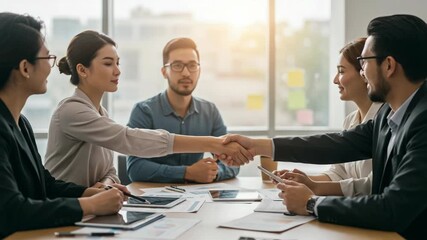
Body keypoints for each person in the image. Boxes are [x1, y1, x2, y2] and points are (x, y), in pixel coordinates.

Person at [222, 14, 427, 238]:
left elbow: (393, 209)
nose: (362, 72)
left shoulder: (423, 123)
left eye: (364, 62)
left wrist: (311, 203)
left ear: (388, 65)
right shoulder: (390, 113)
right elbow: (338, 144)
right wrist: (257, 145)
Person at [44, 31, 251, 187]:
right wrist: (214, 144)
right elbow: (129, 140)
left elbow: (110, 171)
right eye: (108, 64)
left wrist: (107, 186)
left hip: (89, 209)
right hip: (63, 209)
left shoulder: (100, 114)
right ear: (82, 70)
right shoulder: (72, 111)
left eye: (118, 62)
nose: (118, 70)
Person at [0, 12, 125, 238]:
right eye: (47, 59)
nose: (52, 67)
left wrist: (88, 193)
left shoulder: (21, 122)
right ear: (25, 68)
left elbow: (44, 183)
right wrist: (91, 205)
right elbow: (11, 210)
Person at [274, 38, 382, 197]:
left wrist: (314, 188)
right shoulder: (350, 120)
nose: (335, 80)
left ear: (364, 72)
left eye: (342, 71)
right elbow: (338, 174)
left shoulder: (386, 120)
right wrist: (302, 180)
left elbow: (370, 185)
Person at [127, 38, 239, 183]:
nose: (186, 73)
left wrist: (214, 173)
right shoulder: (144, 111)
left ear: (199, 71)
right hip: (156, 200)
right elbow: (135, 168)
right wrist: (187, 173)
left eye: (192, 65)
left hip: (200, 199)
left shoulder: (209, 111)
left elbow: (232, 160)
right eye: (177, 65)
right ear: (164, 72)